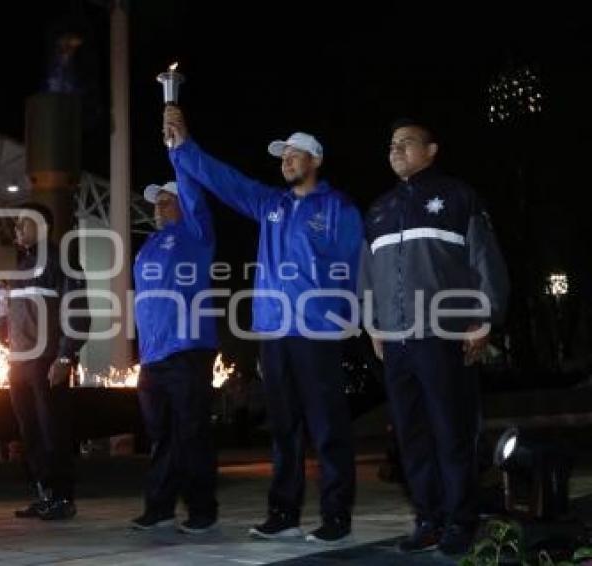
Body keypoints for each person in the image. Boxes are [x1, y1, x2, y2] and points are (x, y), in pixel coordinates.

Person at [164, 107, 363, 543]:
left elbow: (354, 266)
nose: (286, 161)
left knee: (328, 427)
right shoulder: (270, 204)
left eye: (295, 154)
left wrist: (347, 319)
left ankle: (335, 516)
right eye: (283, 156)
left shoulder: (337, 207)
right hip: (274, 332)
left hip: (317, 332)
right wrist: (185, 147)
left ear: (315, 160)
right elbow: (226, 180)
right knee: (284, 427)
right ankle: (284, 513)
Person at [360, 118, 509, 556]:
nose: (396, 150)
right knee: (411, 435)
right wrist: (372, 324)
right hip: (396, 340)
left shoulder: (459, 197)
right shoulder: (379, 210)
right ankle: (429, 518)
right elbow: (366, 274)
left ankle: (460, 519)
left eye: (406, 143)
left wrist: (483, 317)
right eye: (391, 144)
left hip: (443, 333)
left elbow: (485, 260)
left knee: (452, 431)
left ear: (432, 150)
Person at [130, 161, 219, 534]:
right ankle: (160, 507)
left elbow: (196, 196)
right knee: (161, 435)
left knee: (192, 431)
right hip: (153, 356)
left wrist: (177, 150)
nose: (159, 207)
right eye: (157, 203)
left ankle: (202, 510)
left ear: (185, 205)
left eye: (167, 201)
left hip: (188, 348)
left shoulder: (195, 234)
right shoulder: (149, 244)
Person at [8, 204, 90, 521]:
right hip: (19, 362)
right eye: (15, 224)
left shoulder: (62, 261)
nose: (16, 229)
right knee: (30, 432)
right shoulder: (22, 265)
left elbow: (78, 312)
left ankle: (62, 498)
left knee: (52, 430)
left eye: (22, 223)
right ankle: (43, 494)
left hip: (47, 361)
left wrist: (65, 355)